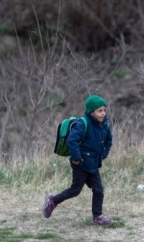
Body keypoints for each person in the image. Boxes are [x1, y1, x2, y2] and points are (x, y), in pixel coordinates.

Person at [43, 94, 114, 225]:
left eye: (104, 110)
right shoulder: (83, 124)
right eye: (99, 111)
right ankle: (52, 200)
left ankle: (97, 216)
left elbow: (109, 140)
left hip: (93, 164)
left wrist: (103, 154)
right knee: (75, 190)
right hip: (80, 163)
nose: (103, 113)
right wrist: (76, 158)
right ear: (91, 112)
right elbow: (72, 140)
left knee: (98, 190)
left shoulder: (104, 125)